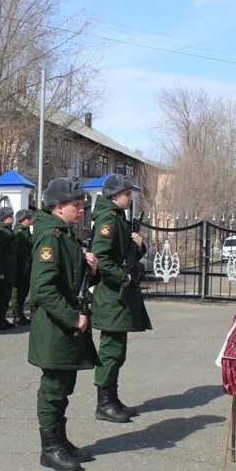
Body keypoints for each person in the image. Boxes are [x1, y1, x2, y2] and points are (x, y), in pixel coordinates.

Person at [28, 178, 99, 471]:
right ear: (58, 207)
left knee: (65, 384)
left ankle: (61, 440)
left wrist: (89, 267)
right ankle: (50, 448)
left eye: (82, 205)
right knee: (54, 387)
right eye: (77, 205)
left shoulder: (65, 235)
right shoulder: (50, 238)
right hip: (56, 325)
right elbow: (43, 289)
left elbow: (72, 280)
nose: (82, 210)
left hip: (67, 323)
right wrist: (72, 317)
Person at [90, 174, 152, 423]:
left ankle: (112, 399)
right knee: (111, 351)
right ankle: (104, 403)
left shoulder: (119, 219)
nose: (130, 198)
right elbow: (102, 257)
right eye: (128, 194)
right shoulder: (108, 220)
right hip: (112, 294)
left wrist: (138, 245)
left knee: (118, 351)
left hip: (119, 295)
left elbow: (127, 253)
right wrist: (123, 278)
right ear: (115, 196)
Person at [0, 207, 18, 330]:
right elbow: (0, 254)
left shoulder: (8, 231)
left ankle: (2, 319)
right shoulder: (1, 232)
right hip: (4, 270)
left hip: (9, 269)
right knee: (1, 296)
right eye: (10, 217)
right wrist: (1, 271)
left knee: (6, 295)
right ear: (3, 218)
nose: (12, 219)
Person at [11, 209, 34, 326]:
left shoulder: (26, 231)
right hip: (19, 267)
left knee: (23, 292)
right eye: (28, 218)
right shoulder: (18, 232)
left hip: (25, 266)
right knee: (17, 293)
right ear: (22, 219)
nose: (30, 220)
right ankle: (17, 315)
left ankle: (20, 315)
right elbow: (16, 252)